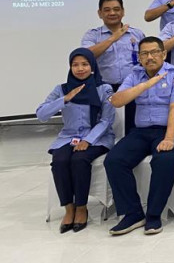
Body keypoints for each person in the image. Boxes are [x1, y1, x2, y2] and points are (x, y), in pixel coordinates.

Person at [104, 37, 174, 235]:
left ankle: (153, 215)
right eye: (144, 54)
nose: (149, 57)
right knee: (114, 160)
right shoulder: (135, 74)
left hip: (172, 130)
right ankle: (133, 213)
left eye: (154, 52)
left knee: (164, 160)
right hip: (141, 132)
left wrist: (169, 139)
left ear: (163, 54)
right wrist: (146, 84)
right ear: (139, 57)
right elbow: (117, 101)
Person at [37, 48, 115, 233]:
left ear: (92, 66)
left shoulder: (104, 89)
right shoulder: (61, 89)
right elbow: (41, 114)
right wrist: (64, 99)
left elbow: (106, 120)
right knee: (60, 161)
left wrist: (88, 140)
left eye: (85, 64)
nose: (80, 69)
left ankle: (81, 207)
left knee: (79, 160)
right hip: (68, 136)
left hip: (97, 137)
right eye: (75, 65)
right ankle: (68, 208)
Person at [82, 0, 145, 134]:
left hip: (132, 87)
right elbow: (86, 55)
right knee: (106, 128)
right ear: (100, 13)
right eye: (107, 10)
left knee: (133, 129)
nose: (112, 13)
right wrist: (113, 38)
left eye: (116, 9)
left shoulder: (137, 34)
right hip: (105, 88)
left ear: (123, 12)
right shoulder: (92, 35)